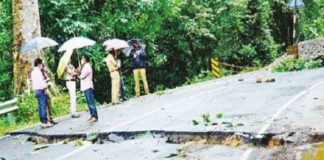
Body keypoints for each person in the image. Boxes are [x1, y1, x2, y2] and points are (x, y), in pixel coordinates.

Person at [31, 58, 52, 128]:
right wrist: (46, 86)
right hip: (41, 90)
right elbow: (41, 82)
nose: (42, 65)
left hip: (36, 90)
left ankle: (42, 121)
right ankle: (45, 122)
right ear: (39, 64)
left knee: (40, 106)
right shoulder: (38, 72)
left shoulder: (33, 72)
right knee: (43, 106)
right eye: (41, 63)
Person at [78, 54, 98, 123]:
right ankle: (92, 115)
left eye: (82, 58)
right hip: (85, 86)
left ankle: (94, 116)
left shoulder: (87, 66)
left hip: (88, 86)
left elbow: (82, 76)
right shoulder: (85, 66)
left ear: (85, 59)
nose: (81, 60)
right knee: (89, 102)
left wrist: (77, 74)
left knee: (91, 102)